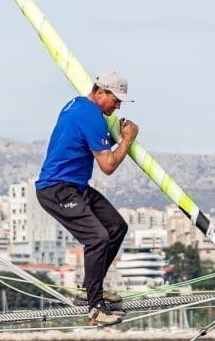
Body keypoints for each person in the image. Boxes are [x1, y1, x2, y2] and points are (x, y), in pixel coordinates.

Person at [36, 71, 140, 325]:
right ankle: (95, 306)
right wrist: (127, 139)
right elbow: (108, 165)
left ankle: (88, 290)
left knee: (116, 227)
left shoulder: (76, 104)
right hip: (56, 189)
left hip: (76, 186)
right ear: (100, 92)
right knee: (97, 237)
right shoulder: (91, 117)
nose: (117, 106)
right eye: (115, 100)